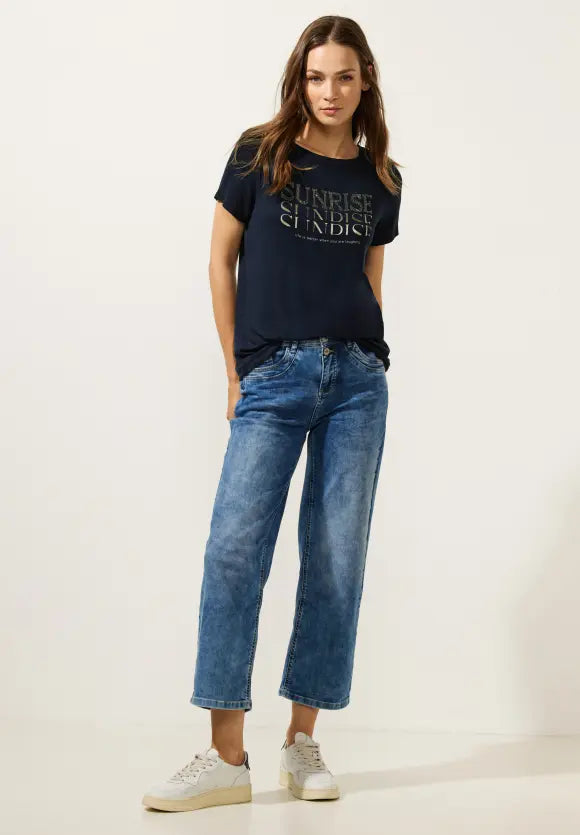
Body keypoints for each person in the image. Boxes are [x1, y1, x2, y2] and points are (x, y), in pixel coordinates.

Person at [142, 14, 402, 813]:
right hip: (273, 375)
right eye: (318, 76)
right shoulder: (260, 154)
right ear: (300, 79)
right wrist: (235, 373)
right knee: (234, 551)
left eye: (345, 77)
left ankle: (300, 742)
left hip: (357, 381)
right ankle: (226, 758)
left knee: (336, 560)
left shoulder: (381, 179)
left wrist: (370, 357)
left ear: (364, 82)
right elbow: (219, 260)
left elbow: (370, 279)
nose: (331, 91)